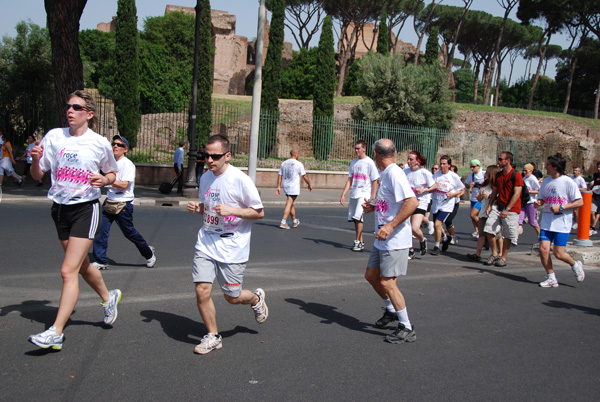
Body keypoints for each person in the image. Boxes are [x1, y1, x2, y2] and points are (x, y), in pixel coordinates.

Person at [27, 90, 121, 350]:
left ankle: (56, 332)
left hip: (85, 210)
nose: (70, 110)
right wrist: (35, 161)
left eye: (76, 107)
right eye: (68, 106)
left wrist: (105, 180)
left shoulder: (99, 142)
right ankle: (108, 296)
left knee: (67, 270)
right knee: (80, 265)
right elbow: (37, 175)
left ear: (89, 114)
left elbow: (112, 172)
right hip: (59, 209)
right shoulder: (54, 137)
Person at [186, 134, 268, 355]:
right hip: (206, 241)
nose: (209, 160)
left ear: (228, 156)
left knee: (232, 297)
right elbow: (210, 207)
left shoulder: (240, 180)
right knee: (202, 289)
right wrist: (199, 208)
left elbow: (259, 212)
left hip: (232, 247)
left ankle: (256, 298)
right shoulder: (205, 177)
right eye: (206, 155)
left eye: (215, 156)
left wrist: (233, 210)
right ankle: (213, 336)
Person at [362, 139, 419, 344]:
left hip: (394, 240)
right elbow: (390, 202)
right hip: (382, 239)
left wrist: (390, 226)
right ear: (393, 152)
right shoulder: (386, 174)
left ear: (376, 155)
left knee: (388, 282)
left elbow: (412, 202)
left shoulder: (394, 173)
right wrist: (374, 207)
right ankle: (392, 311)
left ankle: (407, 327)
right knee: (371, 275)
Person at [92, 135, 157, 270]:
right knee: (100, 230)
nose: (115, 146)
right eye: (114, 144)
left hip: (123, 204)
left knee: (129, 232)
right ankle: (100, 260)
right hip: (110, 201)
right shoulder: (110, 164)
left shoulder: (127, 164)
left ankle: (149, 253)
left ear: (125, 149)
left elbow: (124, 185)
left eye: (119, 145)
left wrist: (107, 180)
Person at [535, 153, 584, 288]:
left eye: (548, 165)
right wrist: (539, 202)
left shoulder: (568, 182)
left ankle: (575, 264)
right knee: (543, 249)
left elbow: (580, 202)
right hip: (546, 221)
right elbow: (542, 198)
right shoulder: (545, 181)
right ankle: (551, 278)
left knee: (559, 254)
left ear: (556, 167)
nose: (545, 167)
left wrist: (561, 207)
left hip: (562, 222)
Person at [483, 151, 523, 267]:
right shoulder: (499, 175)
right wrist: (490, 205)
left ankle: (503, 257)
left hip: (511, 208)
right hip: (498, 206)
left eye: (500, 159)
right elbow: (495, 191)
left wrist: (508, 209)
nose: (498, 162)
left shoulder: (516, 175)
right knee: (489, 229)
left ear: (508, 160)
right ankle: (494, 253)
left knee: (508, 234)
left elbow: (517, 194)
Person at [340, 140, 379, 251]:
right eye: (355, 148)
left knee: (358, 216)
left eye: (358, 148)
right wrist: (344, 194)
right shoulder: (354, 163)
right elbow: (350, 180)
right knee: (355, 218)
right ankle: (361, 241)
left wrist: (373, 196)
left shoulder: (369, 162)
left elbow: (375, 180)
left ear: (364, 149)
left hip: (364, 193)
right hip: (354, 193)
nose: (356, 150)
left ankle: (357, 241)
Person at [427, 156, 465, 255]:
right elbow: (431, 186)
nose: (442, 165)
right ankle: (445, 237)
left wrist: (453, 194)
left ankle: (436, 246)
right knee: (437, 226)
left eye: (444, 164)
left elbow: (461, 189)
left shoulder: (453, 176)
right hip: (436, 203)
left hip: (447, 204)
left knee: (437, 224)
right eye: (441, 163)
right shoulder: (436, 175)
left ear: (449, 165)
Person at [404, 151, 434, 258]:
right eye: (408, 159)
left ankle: (422, 239)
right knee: (406, 227)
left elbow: (434, 187)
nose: (408, 161)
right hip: (408, 202)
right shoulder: (405, 172)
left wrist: (424, 190)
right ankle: (410, 250)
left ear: (418, 161)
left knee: (414, 228)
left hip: (421, 202)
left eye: (411, 159)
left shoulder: (425, 173)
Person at [467, 166, 499, 262]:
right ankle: (478, 254)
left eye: (487, 174)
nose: (485, 176)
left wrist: (490, 196)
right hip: (483, 212)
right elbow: (480, 199)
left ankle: (498, 254)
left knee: (496, 235)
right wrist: (480, 195)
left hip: (493, 212)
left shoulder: (497, 186)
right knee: (481, 234)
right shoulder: (484, 185)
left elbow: (500, 197)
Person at [276, 149, 313, 229]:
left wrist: (278, 186)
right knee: (289, 203)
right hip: (293, 187)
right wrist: (309, 184)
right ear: (296, 154)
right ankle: (283, 222)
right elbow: (304, 176)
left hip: (286, 186)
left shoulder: (284, 163)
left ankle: (294, 221)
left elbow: (280, 175)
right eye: (298, 154)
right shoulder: (298, 164)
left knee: (292, 203)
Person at [518, 163, 541, 237]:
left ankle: (540, 235)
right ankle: (515, 238)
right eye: (523, 170)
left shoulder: (533, 179)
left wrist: (528, 192)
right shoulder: (524, 178)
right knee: (519, 221)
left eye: (526, 171)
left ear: (531, 171)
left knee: (532, 221)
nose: (524, 172)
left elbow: (538, 190)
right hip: (523, 202)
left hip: (531, 202)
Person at [466, 160, 485, 238]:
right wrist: (470, 185)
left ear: (478, 166)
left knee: (473, 214)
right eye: (471, 166)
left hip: (481, 198)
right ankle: (478, 230)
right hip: (473, 198)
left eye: (473, 166)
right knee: (472, 216)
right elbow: (466, 185)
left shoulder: (484, 174)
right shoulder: (471, 175)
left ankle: (483, 229)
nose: (472, 168)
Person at [590, 161, 600, 234]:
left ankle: (593, 227)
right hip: (595, 195)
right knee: (592, 212)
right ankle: (592, 227)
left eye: (599, 167)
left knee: (598, 213)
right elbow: (594, 183)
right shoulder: (595, 175)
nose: (598, 168)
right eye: (598, 167)